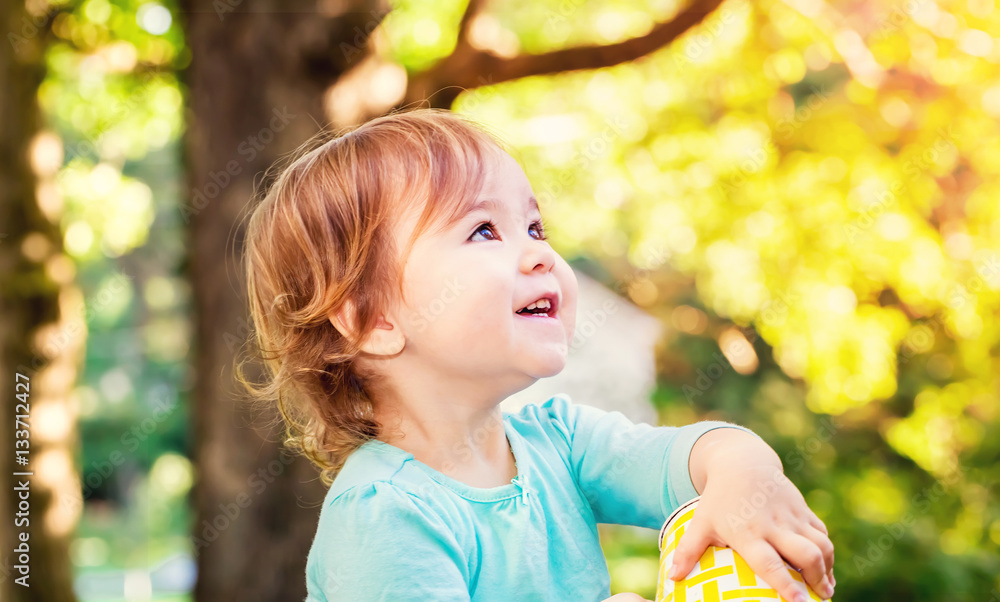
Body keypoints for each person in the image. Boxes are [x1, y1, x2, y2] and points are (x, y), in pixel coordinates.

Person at [239, 108, 836, 602]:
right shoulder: (385, 516)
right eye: (483, 231)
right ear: (372, 320)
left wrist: (740, 479)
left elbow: (699, 454)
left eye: (534, 227)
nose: (539, 255)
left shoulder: (559, 442)